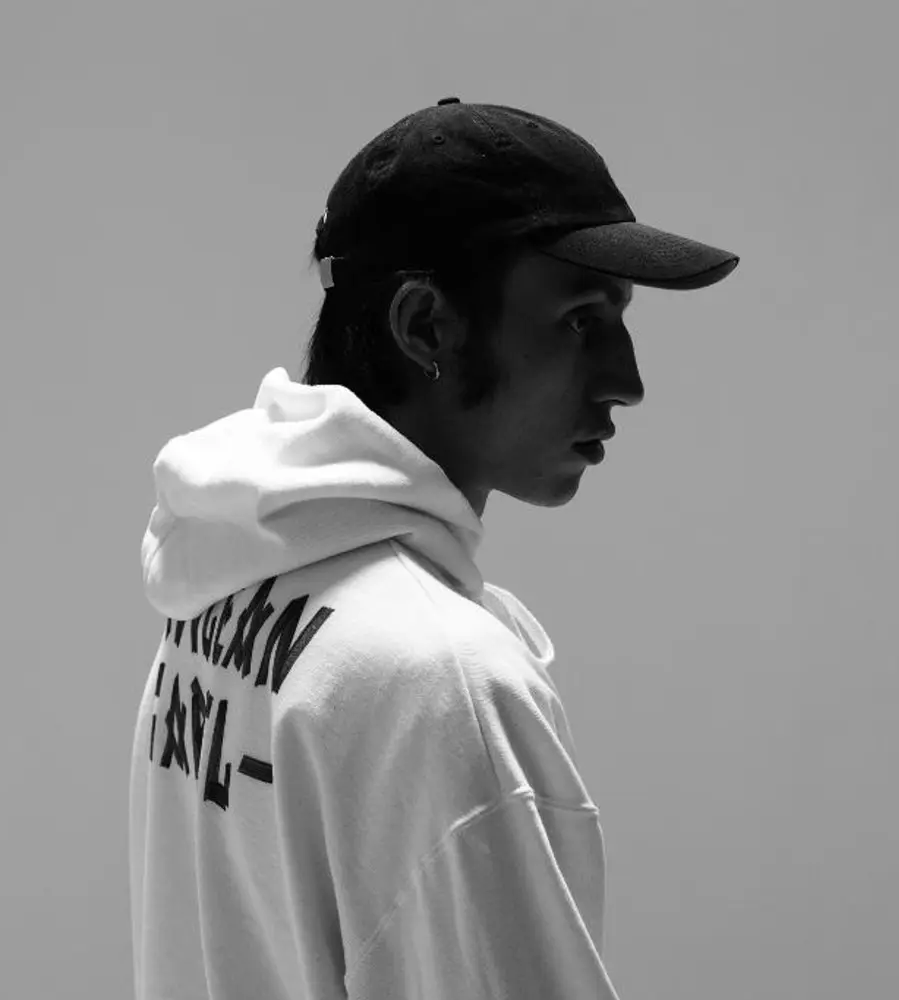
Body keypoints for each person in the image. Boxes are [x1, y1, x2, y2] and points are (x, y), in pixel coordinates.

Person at [129, 97, 738, 1000]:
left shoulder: (223, 589)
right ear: (425, 327)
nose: (628, 380)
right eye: (581, 319)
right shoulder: (443, 683)